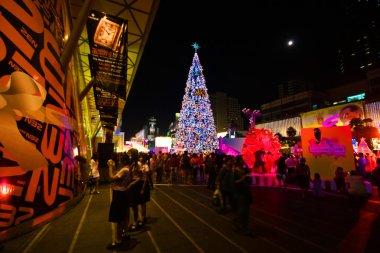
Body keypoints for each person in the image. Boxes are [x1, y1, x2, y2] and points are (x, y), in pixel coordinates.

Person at [107, 159, 135, 249]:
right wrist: (114, 167)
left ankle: (118, 241)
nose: (119, 161)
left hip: (119, 195)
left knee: (119, 218)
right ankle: (125, 234)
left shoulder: (124, 170)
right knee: (125, 215)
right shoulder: (129, 169)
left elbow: (111, 178)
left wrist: (110, 167)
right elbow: (117, 176)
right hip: (124, 193)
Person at [233, 155, 253, 236]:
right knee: (243, 211)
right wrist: (243, 178)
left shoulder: (244, 169)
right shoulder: (236, 171)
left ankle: (244, 226)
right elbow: (235, 182)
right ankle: (240, 226)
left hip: (246, 192)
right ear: (238, 161)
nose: (243, 160)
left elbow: (249, 174)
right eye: (242, 159)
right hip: (240, 193)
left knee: (246, 211)